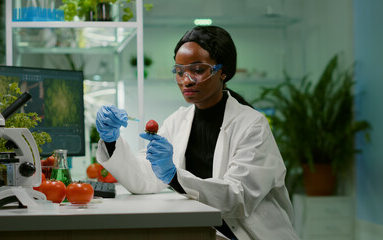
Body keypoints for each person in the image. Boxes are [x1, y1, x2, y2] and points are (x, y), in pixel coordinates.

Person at [95, 26, 299, 240]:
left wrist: (174, 175)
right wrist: (111, 140)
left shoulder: (252, 125)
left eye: (198, 70)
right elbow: (145, 179)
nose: (187, 80)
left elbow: (237, 198)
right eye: (180, 71)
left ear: (223, 71)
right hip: (201, 231)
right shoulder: (178, 120)